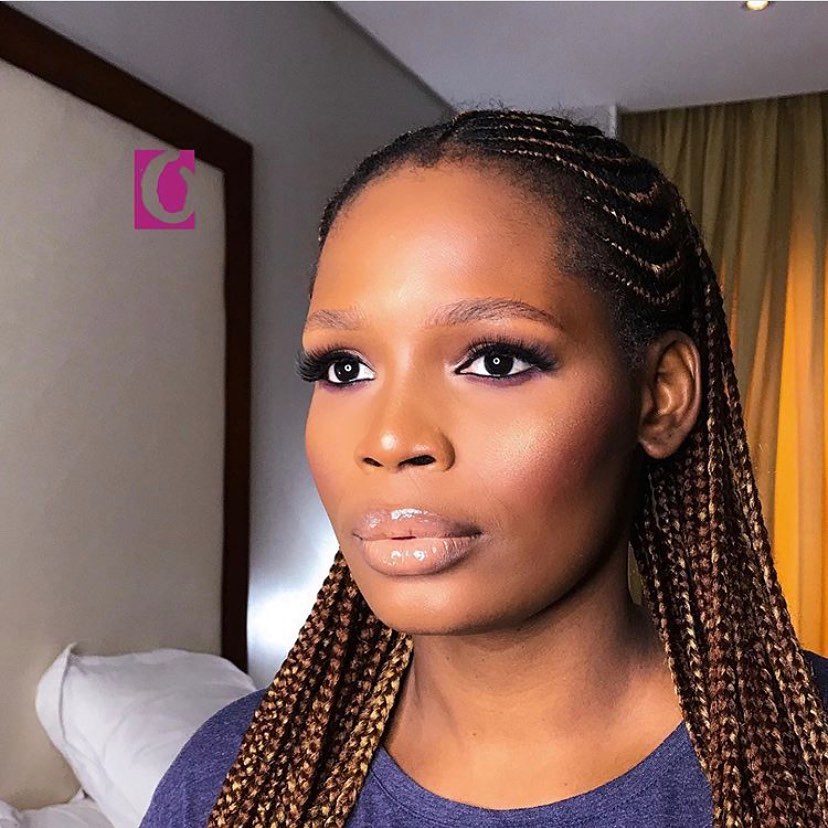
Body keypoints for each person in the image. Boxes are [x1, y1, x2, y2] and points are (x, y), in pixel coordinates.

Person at [139, 108, 828, 827]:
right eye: (345, 368)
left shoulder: (804, 762)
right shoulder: (232, 779)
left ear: (660, 396)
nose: (391, 438)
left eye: (496, 361)